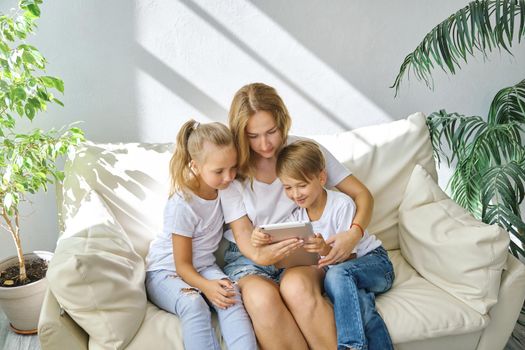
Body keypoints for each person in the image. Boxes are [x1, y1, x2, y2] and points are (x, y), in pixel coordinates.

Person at [220, 82, 375, 349]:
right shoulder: (232, 168)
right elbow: (244, 238)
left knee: (297, 289)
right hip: (250, 257)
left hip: (301, 252)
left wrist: (354, 233)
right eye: (253, 136)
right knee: (261, 300)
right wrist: (268, 255)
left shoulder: (303, 151)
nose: (265, 144)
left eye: (271, 131)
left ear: (283, 122)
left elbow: (363, 195)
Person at [271, 140, 395, 350]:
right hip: (347, 276)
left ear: (321, 178)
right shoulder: (297, 216)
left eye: (302, 185)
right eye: (288, 187)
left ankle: (350, 346)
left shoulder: (341, 204)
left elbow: (348, 258)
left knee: (336, 275)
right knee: (362, 307)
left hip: (375, 264)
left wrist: (324, 249)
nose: (295, 194)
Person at [145, 120, 257, 350]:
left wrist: (214, 285)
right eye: (219, 171)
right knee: (193, 303)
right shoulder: (182, 205)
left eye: (232, 167)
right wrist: (206, 287)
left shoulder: (225, 190)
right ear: (195, 166)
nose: (228, 177)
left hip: (203, 267)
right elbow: (182, 265)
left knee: (231, 296)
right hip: (166, 272)